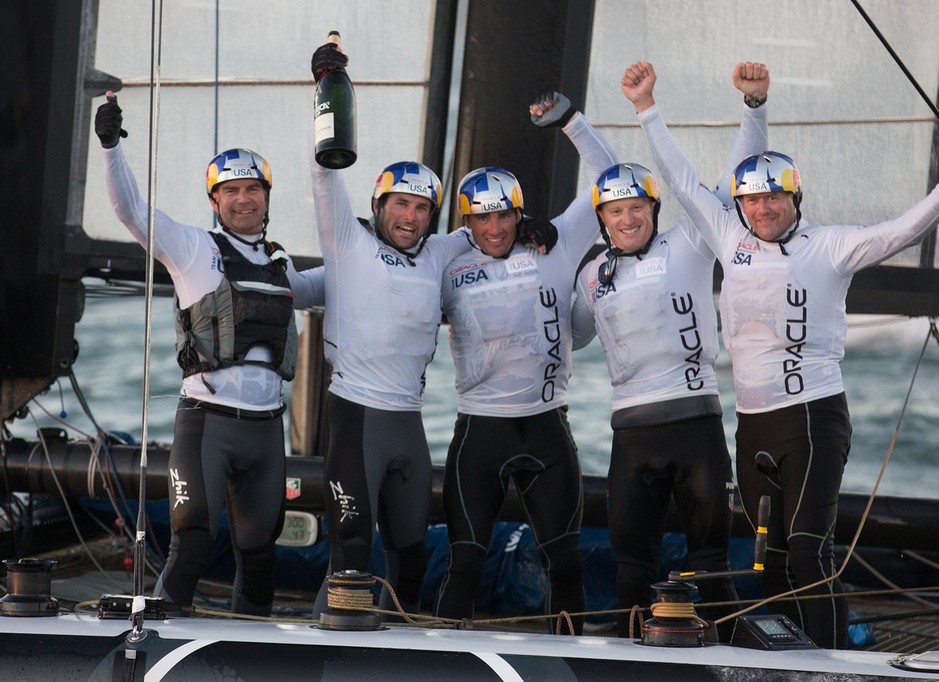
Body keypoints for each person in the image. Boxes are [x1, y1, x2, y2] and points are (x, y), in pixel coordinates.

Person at [621, 59, 939, 648]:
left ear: (795, 198)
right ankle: (778, 656)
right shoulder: (730, 236)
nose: (761, 211)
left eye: (773, 200)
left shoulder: (831, 246)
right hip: (754, 425)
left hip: (812, 420)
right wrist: (646, 109)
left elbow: (902, 232)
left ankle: (831, 662)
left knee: (807, 551)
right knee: (765, 559)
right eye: (751, 202)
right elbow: (683, 181)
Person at [307, 42, 557, 618]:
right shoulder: (347, 241)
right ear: (378, 205)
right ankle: (324, 649)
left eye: (422, 208)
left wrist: (528, 227)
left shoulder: (440, 252)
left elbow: (489, 230)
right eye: (400, 205)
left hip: (408, 424)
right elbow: (323, 175)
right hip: (356, 417)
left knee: (413, 557)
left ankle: (402, 654)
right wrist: (326, 86)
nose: (411, 217)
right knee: (350, 553)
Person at [93, 95, 323, 616]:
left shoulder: (281, 265)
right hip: (207, 426)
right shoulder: (193, 248)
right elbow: (130, 210)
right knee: (193, 542)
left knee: (261, 555)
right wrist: (110, 146)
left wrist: (377, 247)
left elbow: (336, 284)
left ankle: (251, 663)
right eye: (232, 191)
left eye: (253, 190)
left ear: (267, 197)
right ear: (214, 201)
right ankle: (150, 652)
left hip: (266, 431)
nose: (244, 200)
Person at [571, 63, 770, 641]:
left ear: (654, 212)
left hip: (696, 426)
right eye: (614, 211)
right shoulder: (592, 275)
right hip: (630, 436)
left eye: (637, 209)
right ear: (602, 220)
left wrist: (753, 108)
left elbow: (731, 181)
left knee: (710, 564)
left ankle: (730, 658)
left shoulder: (688, 243)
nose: (627, 218)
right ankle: (633, 661)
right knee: (632, 568)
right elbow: (574, 337)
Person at [434, 93, 616, 633]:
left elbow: (611, 177)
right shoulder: (449, 260)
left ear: (520, 212)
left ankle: (573, 656)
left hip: (545, 426)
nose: (495, 229)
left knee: (566, 560)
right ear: (467, 220)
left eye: (506, 216)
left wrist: (572, 123)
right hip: (479, 431)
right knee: (464, 561)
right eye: (482, 219)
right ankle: (443, 659)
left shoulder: (552, 245)